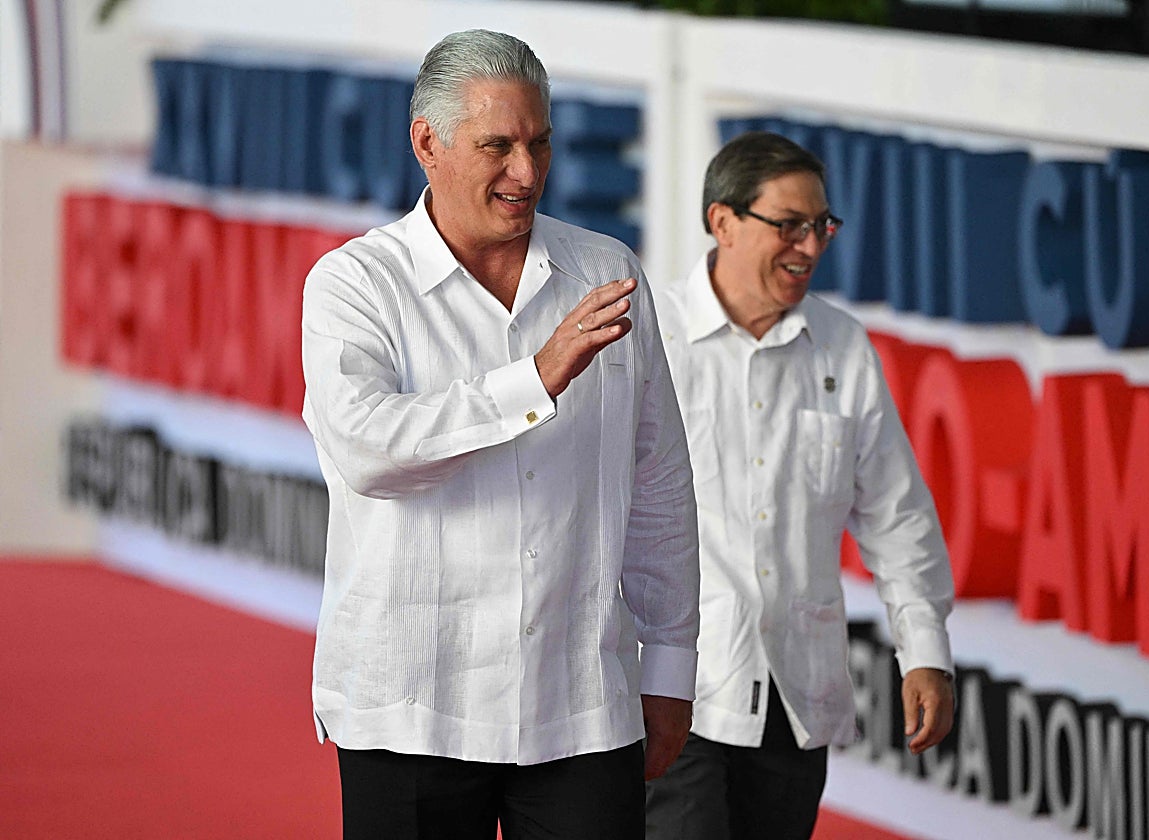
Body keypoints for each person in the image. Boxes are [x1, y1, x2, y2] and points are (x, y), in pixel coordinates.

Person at [300, 29, 700, 840]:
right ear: (428, 145)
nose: (527, 172)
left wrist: (671, 667)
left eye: (539, 143)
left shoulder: (606, 272)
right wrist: (534, 380)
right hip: (410, 707)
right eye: (498, 145)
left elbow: (659, 481)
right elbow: (368, 451)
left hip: (580, 706)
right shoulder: (354, 284)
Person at [645, 131, 956, 840]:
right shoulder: (649, 335)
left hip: (795, 701)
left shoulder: (843, 346)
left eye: (821, 226)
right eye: (788, 224)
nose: (810, 247)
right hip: (671, 693)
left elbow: (896, 514)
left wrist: (926, 652)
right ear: (721, 221)